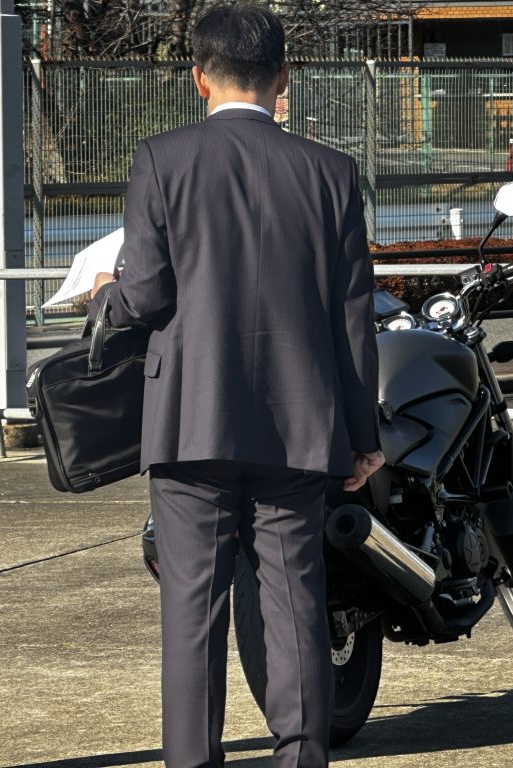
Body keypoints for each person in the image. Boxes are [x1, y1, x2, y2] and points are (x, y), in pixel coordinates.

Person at [89, 6, 383, 767]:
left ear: (198, 78)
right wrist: (363, 437)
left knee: (192, 611)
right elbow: (352, 317)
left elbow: (145, 295)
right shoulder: (331, 173)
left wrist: (102, 297)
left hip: (191, 419)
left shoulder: (163, 159)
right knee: (294, 603)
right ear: (283, 78)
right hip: (300, 421)